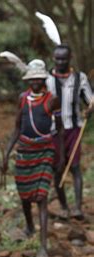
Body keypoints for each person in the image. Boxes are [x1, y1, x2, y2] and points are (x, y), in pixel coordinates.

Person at [3, 60, 62, 257]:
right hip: (25, 150)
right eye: (32, 79)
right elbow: (17, 127)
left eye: (39, 79)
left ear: (43, 79)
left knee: (42, 197)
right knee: (25, 195)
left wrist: (60, 157)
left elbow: (60, 130)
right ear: (28, 81)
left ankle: (43, 248)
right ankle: (29, 226)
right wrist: (6, 153)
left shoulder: (52, 100)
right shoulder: (23, 99)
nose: (35, 82)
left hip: (45, 151)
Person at [46, 44, 94, 220]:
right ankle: (64, 207)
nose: (60, 62)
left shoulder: (80, 78)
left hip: (73, 129)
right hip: (54, 131)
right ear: (53, 58)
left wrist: (90, 109)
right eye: (57, 58)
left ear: (70, 58)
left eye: (63, 59)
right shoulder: (47, 80)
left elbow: (90, 100)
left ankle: (78, 208)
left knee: (74, 167)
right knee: (58, 169)